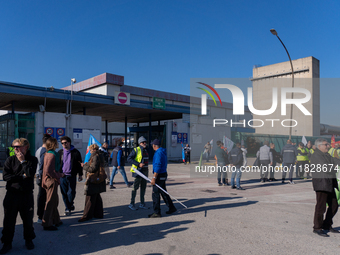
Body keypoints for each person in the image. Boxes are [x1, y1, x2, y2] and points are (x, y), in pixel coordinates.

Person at [0, 138, 38, 253]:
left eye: (18, 146)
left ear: (26, 147)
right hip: (12, 194)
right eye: (14, 147)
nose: (15, 149)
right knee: (9, 221)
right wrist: (21, 177)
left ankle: (29, 240)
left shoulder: (32, 160)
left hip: (26, 195)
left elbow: (30, 174)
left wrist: (23, 162)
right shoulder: (10, 160)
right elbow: (6, 177)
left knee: (27, 220)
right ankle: (7, 243)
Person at [310, 138, 340, 237]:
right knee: (321, 207)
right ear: (319, 146)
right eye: (326, 144)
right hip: (321, 183)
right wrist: (335, 167)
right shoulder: (316, 155)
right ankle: (317, 227)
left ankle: (327, 225)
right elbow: (325, 167)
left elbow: (334, 160)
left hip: (329, 183)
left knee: (334, 205)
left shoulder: (326, 155)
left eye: (327, 144)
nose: (328, 146)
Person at [148, 139, 177, 218]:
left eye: (152, 145)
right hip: (163, 174)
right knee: (163, 192)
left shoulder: (158, 153)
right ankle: (171, 207)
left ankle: (157, 212)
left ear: (154, 146)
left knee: (155, 194)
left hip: (159, 175)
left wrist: (154, 177)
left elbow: (157, 165)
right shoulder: (163, 151)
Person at [79, 144, 106, 222]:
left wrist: (84, 166)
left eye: (90, 150)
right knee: (96, 196)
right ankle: (98, 214)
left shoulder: (95, 156)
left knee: (89, 197)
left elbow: (93, 169)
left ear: (94, 150)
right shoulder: (99, 155)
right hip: (98, 179)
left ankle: (86, 216)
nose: (90, 152)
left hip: (93, 179)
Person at [42, 137, 64, 231]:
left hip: (49, 179)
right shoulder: (51, 155)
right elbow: (48, 170)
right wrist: (60, 174)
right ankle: (47, 223)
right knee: (50, 202)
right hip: (51, 180)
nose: (58, 144)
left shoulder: (48, 153)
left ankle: (56, 220)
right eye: (56, 143)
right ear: (53, 144)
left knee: (54, 200)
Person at [58, 136, 83, 216]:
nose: (64, 144)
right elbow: (57, 164)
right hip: (62, 176)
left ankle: (70, 203)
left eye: (65, 142)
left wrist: (80, 174)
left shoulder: (76, 152)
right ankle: (68, 208)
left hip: (72, 175)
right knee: (64, 193)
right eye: (62, 143)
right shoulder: (60, 152)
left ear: (69, 142)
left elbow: (79, 164)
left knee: (71, 192)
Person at [127, 136, 149, 210]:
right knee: (135, 188)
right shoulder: (136, 150)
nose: (145, 143)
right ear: (140, 143)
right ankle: (131, 203)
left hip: (145, 172)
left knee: (143, 188)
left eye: (145, 142)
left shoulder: (146, 150)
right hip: (138, 172)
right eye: (143, 142)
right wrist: (138, 164)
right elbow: (129, 159)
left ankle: (142, 203)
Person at [35, 134, 51, 224]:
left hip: (38, 175)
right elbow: (41, 164)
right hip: (41, 176)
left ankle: (40, 215)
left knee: (41, 196)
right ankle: (40, 216)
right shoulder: (44, 151)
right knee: (42, 196)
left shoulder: (38, 150)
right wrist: (41, 176)